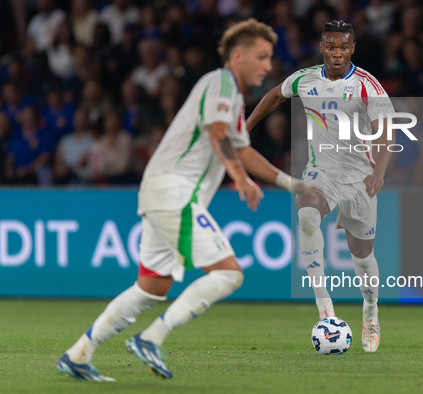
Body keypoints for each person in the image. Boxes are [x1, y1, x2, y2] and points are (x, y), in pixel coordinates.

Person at [56, 18, 318, 382]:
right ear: (238, 56)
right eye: (261, 57)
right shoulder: (220, 82)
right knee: (228, 274)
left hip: (162, 192)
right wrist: (240, 180)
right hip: (173, 192)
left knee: (152, 287)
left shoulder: (229, 96)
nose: (268, 66)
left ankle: (78, 353)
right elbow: (217, 134)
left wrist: (295, 186)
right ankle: (151, 338)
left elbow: (241, 149)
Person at [246, 20, 394, 353]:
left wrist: (380, 171)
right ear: (322, 48)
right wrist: (246, 126)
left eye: (344, 47)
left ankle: (370, 312)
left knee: (362, 255)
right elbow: (274, 96)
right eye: (331, 47)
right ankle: (324, 307)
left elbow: (386, 132)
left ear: (352, 48)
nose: (337, 53)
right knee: (307, 210)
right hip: (321, 170)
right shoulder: (305, 78)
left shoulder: (368, 85)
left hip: (359, 179)